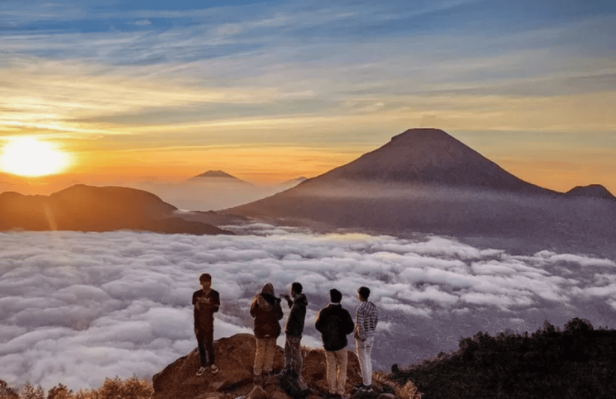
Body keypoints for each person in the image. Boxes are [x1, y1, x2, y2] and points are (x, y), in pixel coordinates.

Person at [315, 289, 355, 399]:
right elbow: (351, 327)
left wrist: (326, 332)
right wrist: (343, 332)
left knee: (331, 367)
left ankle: (331, 391)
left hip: (328, 344)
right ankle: (340, 392)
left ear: (330, 298)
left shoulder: (324, 312)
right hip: (341, 344)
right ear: (340, 299)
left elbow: (318, 325)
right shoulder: (344, 313)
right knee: (342, 368)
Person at [250, 282, 284, 385]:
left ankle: (257, 372)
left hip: (260, 331)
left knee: (260, 351)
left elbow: (252, 313)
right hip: (272, 331)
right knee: (270, 351)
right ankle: (267, 371)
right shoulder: (275, 302)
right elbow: (280, 316)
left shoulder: (256, 301)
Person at [192, 273, 220, 376]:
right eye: (204, 281)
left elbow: (216, 309)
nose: (207, 283)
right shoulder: (196, 294)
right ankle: (203, 365)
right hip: (199, 323)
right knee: (200, 345)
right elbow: (196, 311)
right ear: (201, 282)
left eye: (208, 281)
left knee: (209, 343)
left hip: (208, 322)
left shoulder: (215, 294)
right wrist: (195, 326)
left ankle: (212, 364)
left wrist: (207, 305)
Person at [281, 282, 308, 386]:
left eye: (291, 289)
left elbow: (296, 316)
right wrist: (289, 301)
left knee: (295, 353)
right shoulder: (299, 302)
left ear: (294, 290)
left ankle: (296, 373)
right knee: (288, 351)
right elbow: (294, 309)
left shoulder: (299, 304)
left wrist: (294, 332)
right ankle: (287, 369)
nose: (290, 291)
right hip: (292, 332)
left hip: (293, 333)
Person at [354, 286, 378, 392]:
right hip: (371, 336)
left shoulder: (360, 309)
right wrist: (371, 332)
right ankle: (369, 382)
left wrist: (361, 337)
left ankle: (366, 385)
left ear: (360, 295)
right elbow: (375, 321)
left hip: (363, 338)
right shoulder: (373, 307)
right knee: (368, 359)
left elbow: (360, 325)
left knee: (363, 360)